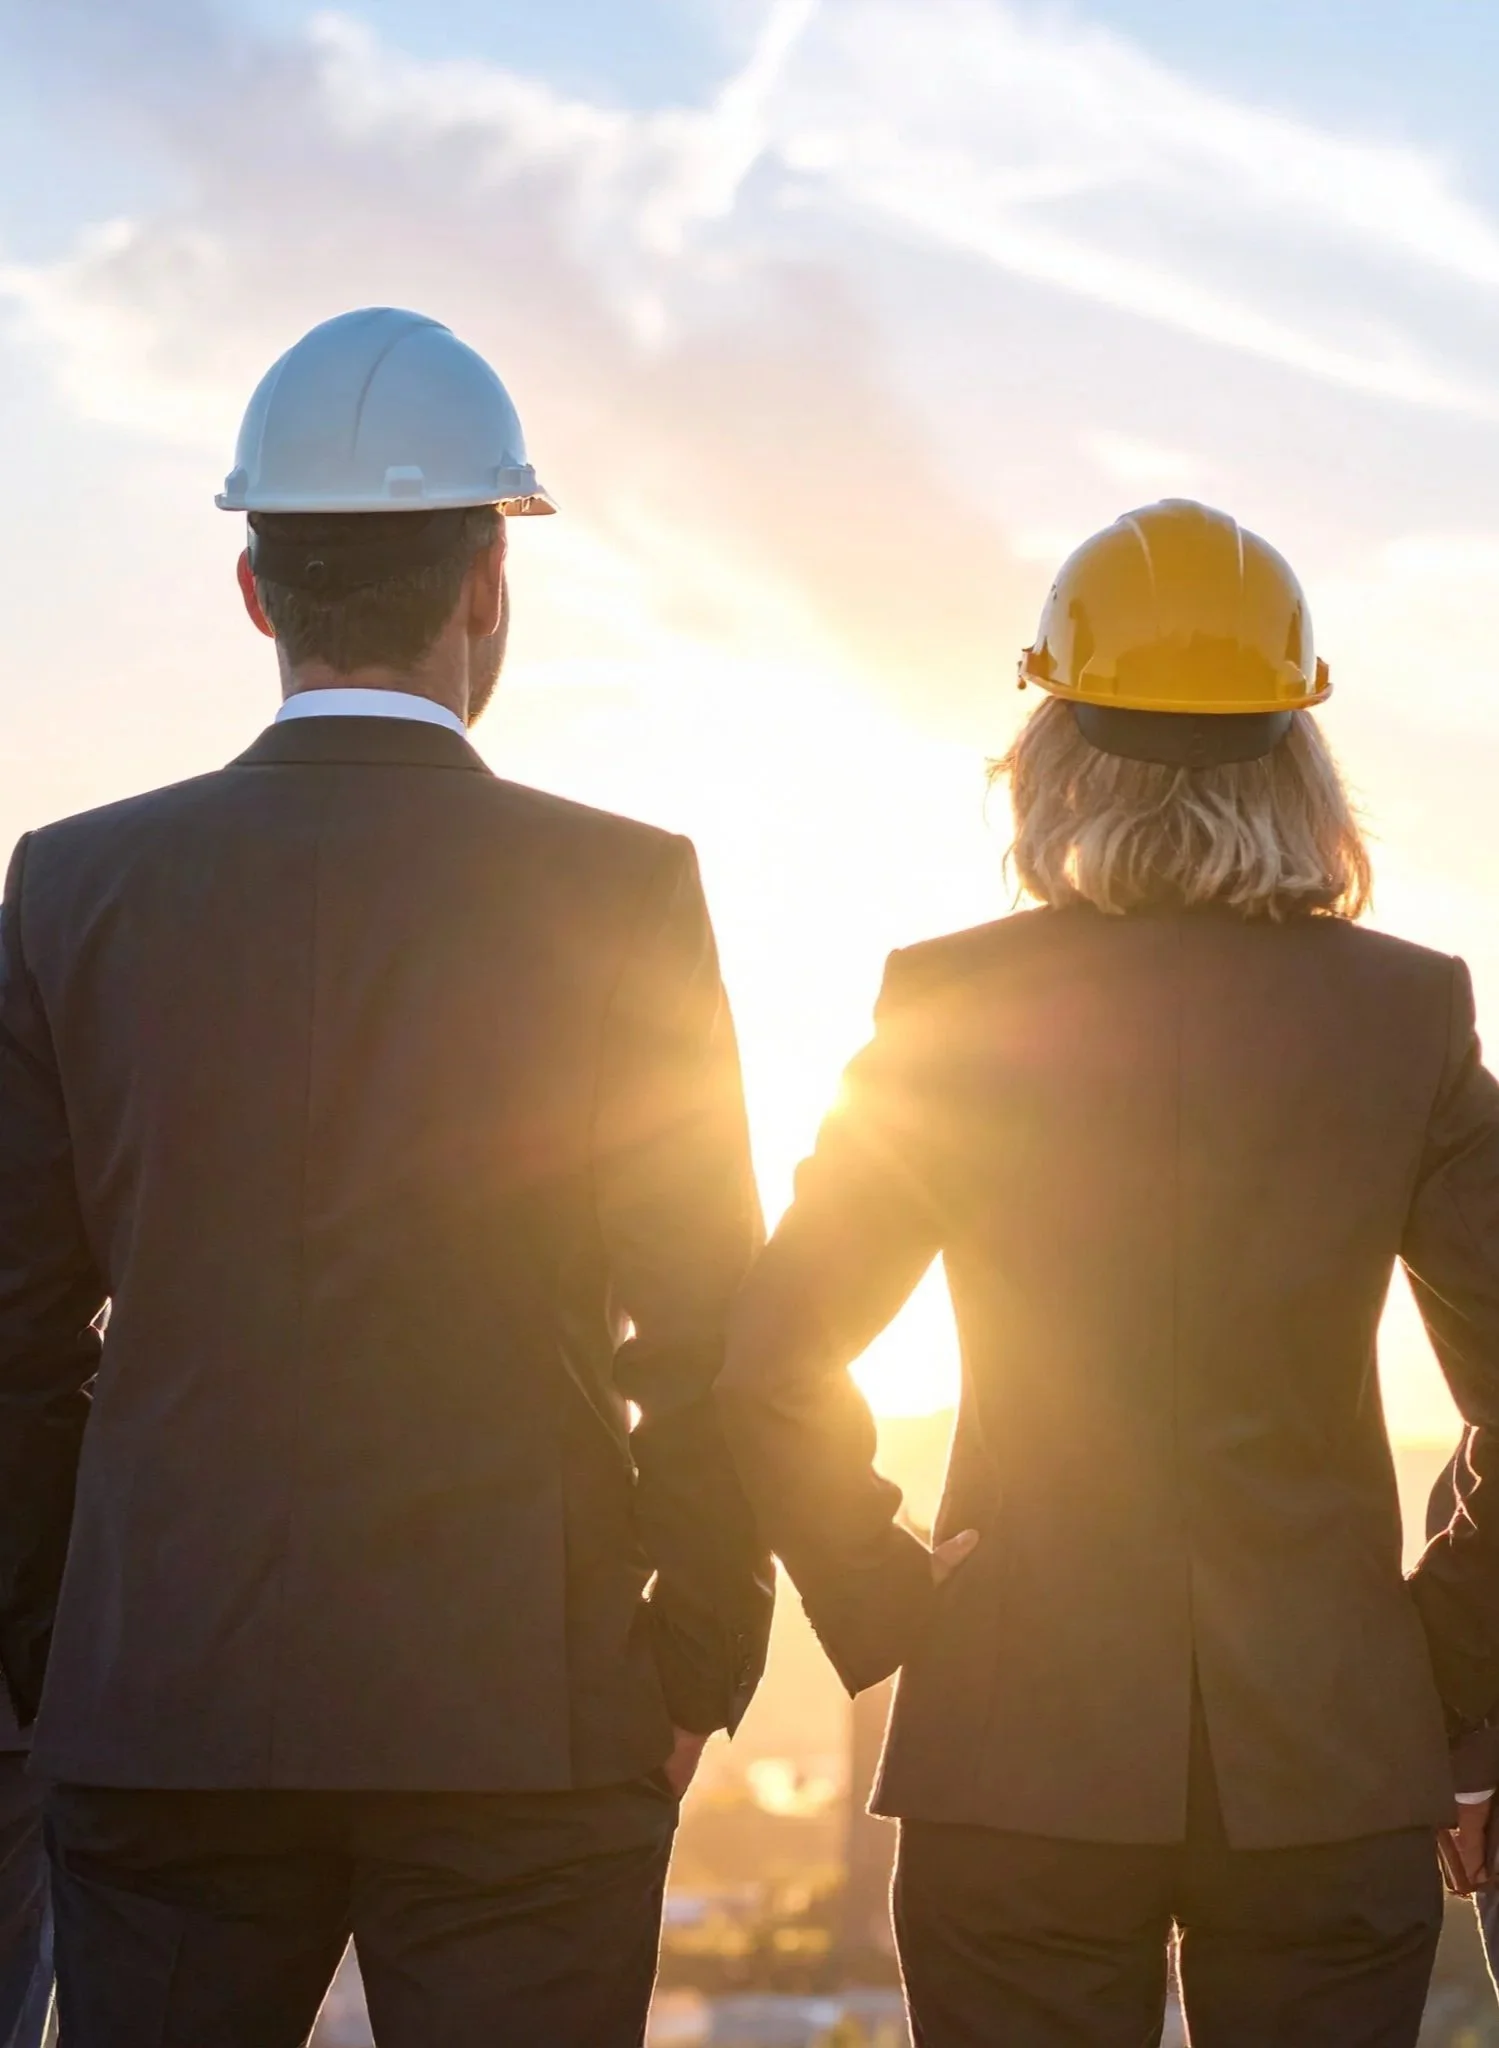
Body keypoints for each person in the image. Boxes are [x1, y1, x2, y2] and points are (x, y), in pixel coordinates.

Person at [0, 306, 772, 2048]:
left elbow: (15, 1336)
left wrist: (60, 1654)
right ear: (488, 582)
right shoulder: (623, 892)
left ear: (256, 590)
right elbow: (710, 1318)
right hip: (533, 1716)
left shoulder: (72, 891)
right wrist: (697, 1653)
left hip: (159, 1709)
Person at [718, 498, 1499, 2048]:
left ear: (1053, 756)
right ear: (1301, 760)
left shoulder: (947, 1003)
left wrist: (882, 1597)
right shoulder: (1406, 1016)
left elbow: (765, 1360)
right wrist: (1436, 1658)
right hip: (1334, 1758)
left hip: (1011, 1748)